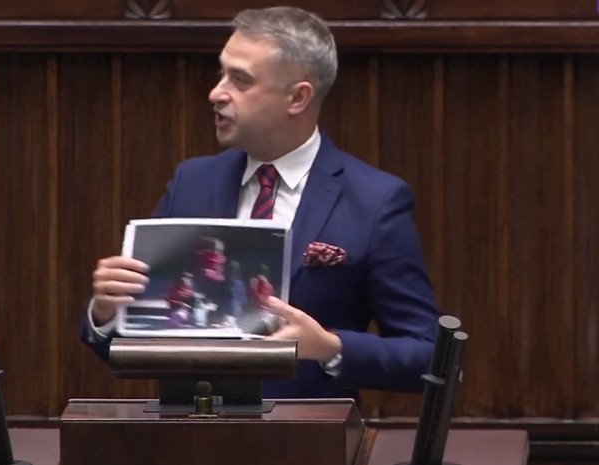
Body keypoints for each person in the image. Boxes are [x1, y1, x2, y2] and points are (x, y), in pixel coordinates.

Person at [84, 6, 439, 399]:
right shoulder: (192, 182)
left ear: (297, 97)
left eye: (240, 80)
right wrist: (106, 311)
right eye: (221, 74)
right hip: (189, 426)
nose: (216, 93)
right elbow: (127, 342)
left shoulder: (374, 201)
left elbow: (427, 357)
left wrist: (329, 347)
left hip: (307, 431)